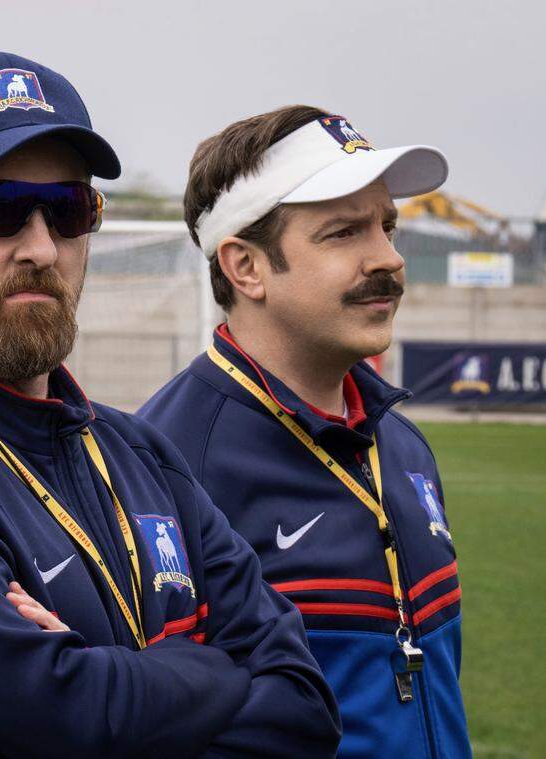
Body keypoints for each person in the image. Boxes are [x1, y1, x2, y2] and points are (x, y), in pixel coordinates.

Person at [0, 52, 340, 758]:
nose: (41, 247)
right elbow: (60, 720)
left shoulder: (141, 453)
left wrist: (110, 687)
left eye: (71, 209)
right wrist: (211, 666)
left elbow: (305, 706)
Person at [138, 106, 470, 757]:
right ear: (246, 267)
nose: (389, 259)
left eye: (387, 226)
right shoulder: (166, 466)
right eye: (344, 233)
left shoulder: (401, 443)